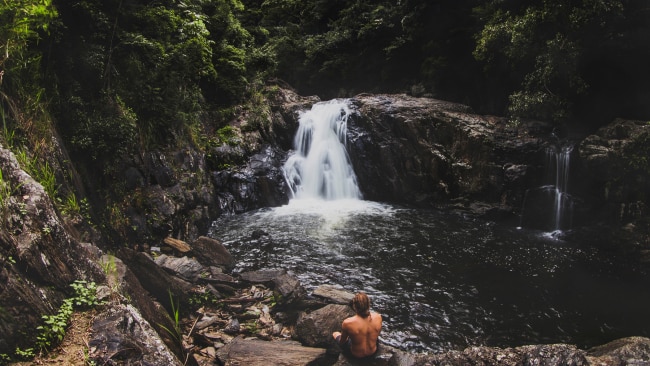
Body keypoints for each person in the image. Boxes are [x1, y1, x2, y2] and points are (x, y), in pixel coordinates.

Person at [332, 292, 383, 359]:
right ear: (368, 304)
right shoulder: (378, 317)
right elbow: (377, 336)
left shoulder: (348, 322)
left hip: (356, 356)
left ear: (355, 306)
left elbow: (342, 342)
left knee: (335, 333)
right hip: (373, 353)